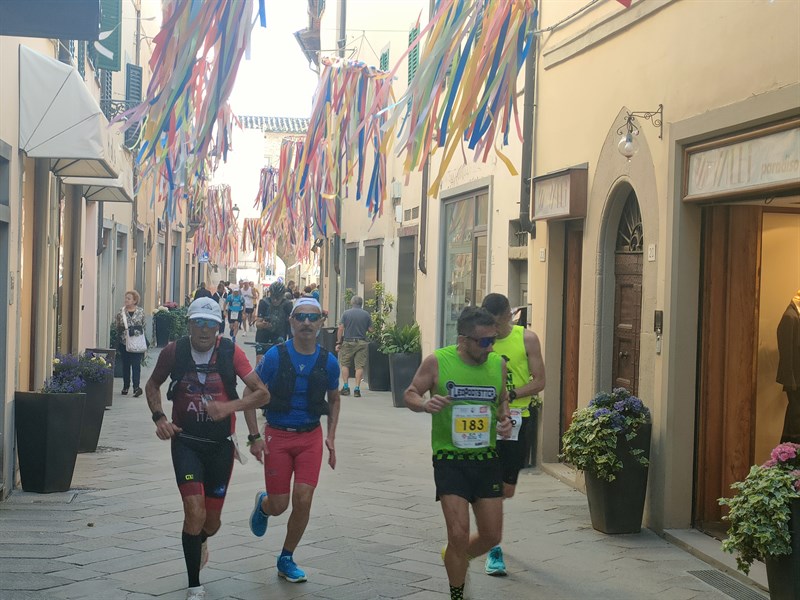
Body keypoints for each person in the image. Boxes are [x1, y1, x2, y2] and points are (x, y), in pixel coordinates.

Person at [144, 297, 269, 600]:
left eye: (210, 324)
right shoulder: (174, 351)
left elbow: (262, 394)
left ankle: (201, 540)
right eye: (198, 322)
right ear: (188, 325)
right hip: (186, 443)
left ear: (218, 327)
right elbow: (152, 385)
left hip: (220, 447)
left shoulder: (230, 352)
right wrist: (160, 418)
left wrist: (229, 407)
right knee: (193, 511)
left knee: (210, 523)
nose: (203, 329)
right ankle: (194, 585)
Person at [404, 307, 511, 600]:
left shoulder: (498, 364)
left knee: (492, 535)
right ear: (463, 340)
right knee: (459, 534)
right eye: (484, 341)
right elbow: (410, 393)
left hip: (486, 458)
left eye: (493, 340)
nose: (490, 347)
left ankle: (455, 555)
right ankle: (457, 593)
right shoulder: (438, 361)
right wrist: (425, 404)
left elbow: (502, 398)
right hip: (449, 459)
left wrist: (505, 419)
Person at [245, 297, 341, 584]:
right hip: (278, 435)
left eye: (312, 318)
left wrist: (331, 436)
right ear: (291, 321)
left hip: (310, 436)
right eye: (300, 317)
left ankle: (286, 557)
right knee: (280, 505)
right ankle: (264, 504)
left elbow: (334, 399)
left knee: (303, 498)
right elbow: (248, 394)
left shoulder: (329, 362)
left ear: (321, 322)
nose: (306, 323)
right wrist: (254, 437)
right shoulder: (275, 357)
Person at [480, 293, 546, 576]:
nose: (494, 330)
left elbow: (540, 381)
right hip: (485, 419)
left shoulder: (527, 339)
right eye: (490, 324)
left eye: (498, 324)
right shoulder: (482, 339)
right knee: (491, 487)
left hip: (519, 419)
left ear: (510, 315)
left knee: (506, 489)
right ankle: (493, 546)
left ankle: (487, 509)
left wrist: (511, 394)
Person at [336, 296, 372, 397]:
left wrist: (339, 341)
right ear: (361, 303)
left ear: (352, 303)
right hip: (362, 342)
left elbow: (341, 328)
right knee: (359, 366)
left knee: (345, 364)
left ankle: (346, 387)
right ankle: (357, 389)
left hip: (348, 342)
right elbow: (371, 330)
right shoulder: (366, 314)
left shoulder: (346, 313)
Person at [778, 290, 800, 443]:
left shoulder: (795, 316)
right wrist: (789, 381)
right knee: (795, 417)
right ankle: (790, 449)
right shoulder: (790, 317)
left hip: (796, 378)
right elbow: (786, 353)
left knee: (794, 415)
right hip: (794, 379)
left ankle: (787, 449)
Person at [115, 289, 146, 397]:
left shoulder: (141, 312)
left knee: (136, 365)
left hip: (137, 343)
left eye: (129, 298)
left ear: (135, 300)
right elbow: (117, 325)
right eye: (126, 298)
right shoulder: (121, 312)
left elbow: (143, 326)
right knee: (126, 365)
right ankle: (126, 386)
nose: (126, 300)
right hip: (125, 342)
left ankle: (136, 387)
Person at [254, 281, 293, 364]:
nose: (275, 300)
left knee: (278, 363)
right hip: (263, 336)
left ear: (282, 295)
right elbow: (257, 324)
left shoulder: (288, 304)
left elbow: (292, 325)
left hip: (279, 336)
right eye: (272, 297)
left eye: (278, 297)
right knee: (260, 363)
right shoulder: (264, 302)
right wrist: (263, 325)